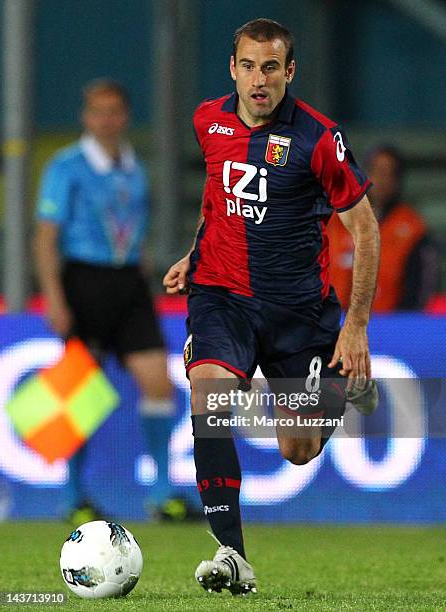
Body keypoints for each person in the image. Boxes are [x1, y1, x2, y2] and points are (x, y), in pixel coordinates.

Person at [163, 18, 380, 595]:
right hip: (222, 295)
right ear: (233, 69)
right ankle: (232, 554)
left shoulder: (317, 137)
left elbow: (367, 230)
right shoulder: (208, 121)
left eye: (271, 68)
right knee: (209, 394)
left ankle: (345, 383)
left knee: (299, 449)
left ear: (290, 72)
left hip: (299, 313)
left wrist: (355, 325)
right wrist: (194, 252)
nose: (259, 80)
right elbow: (218, 195)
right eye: (248, 66)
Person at [33, 79, 186, 523]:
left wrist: (141, 272)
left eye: (114, 111)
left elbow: (131, 229)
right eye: (98, 111)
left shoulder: (134, 167)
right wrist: (55, 299)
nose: (107, 119)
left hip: (128, 284)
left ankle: (162, 494)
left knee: (158, 382)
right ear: (86, 117)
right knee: (80, 394)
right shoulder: (66, 167)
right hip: (84, 281)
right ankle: (73, 496)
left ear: (124, 116)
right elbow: (46, 236)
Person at [328, 144, 439, 311]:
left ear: (398, 180)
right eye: (376, 171)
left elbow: (421, 288)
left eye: (389, 174)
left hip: (389, 326)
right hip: (334, 323)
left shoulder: (412, 227)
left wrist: (401, 325)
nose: (381, 180)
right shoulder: (334, 220)